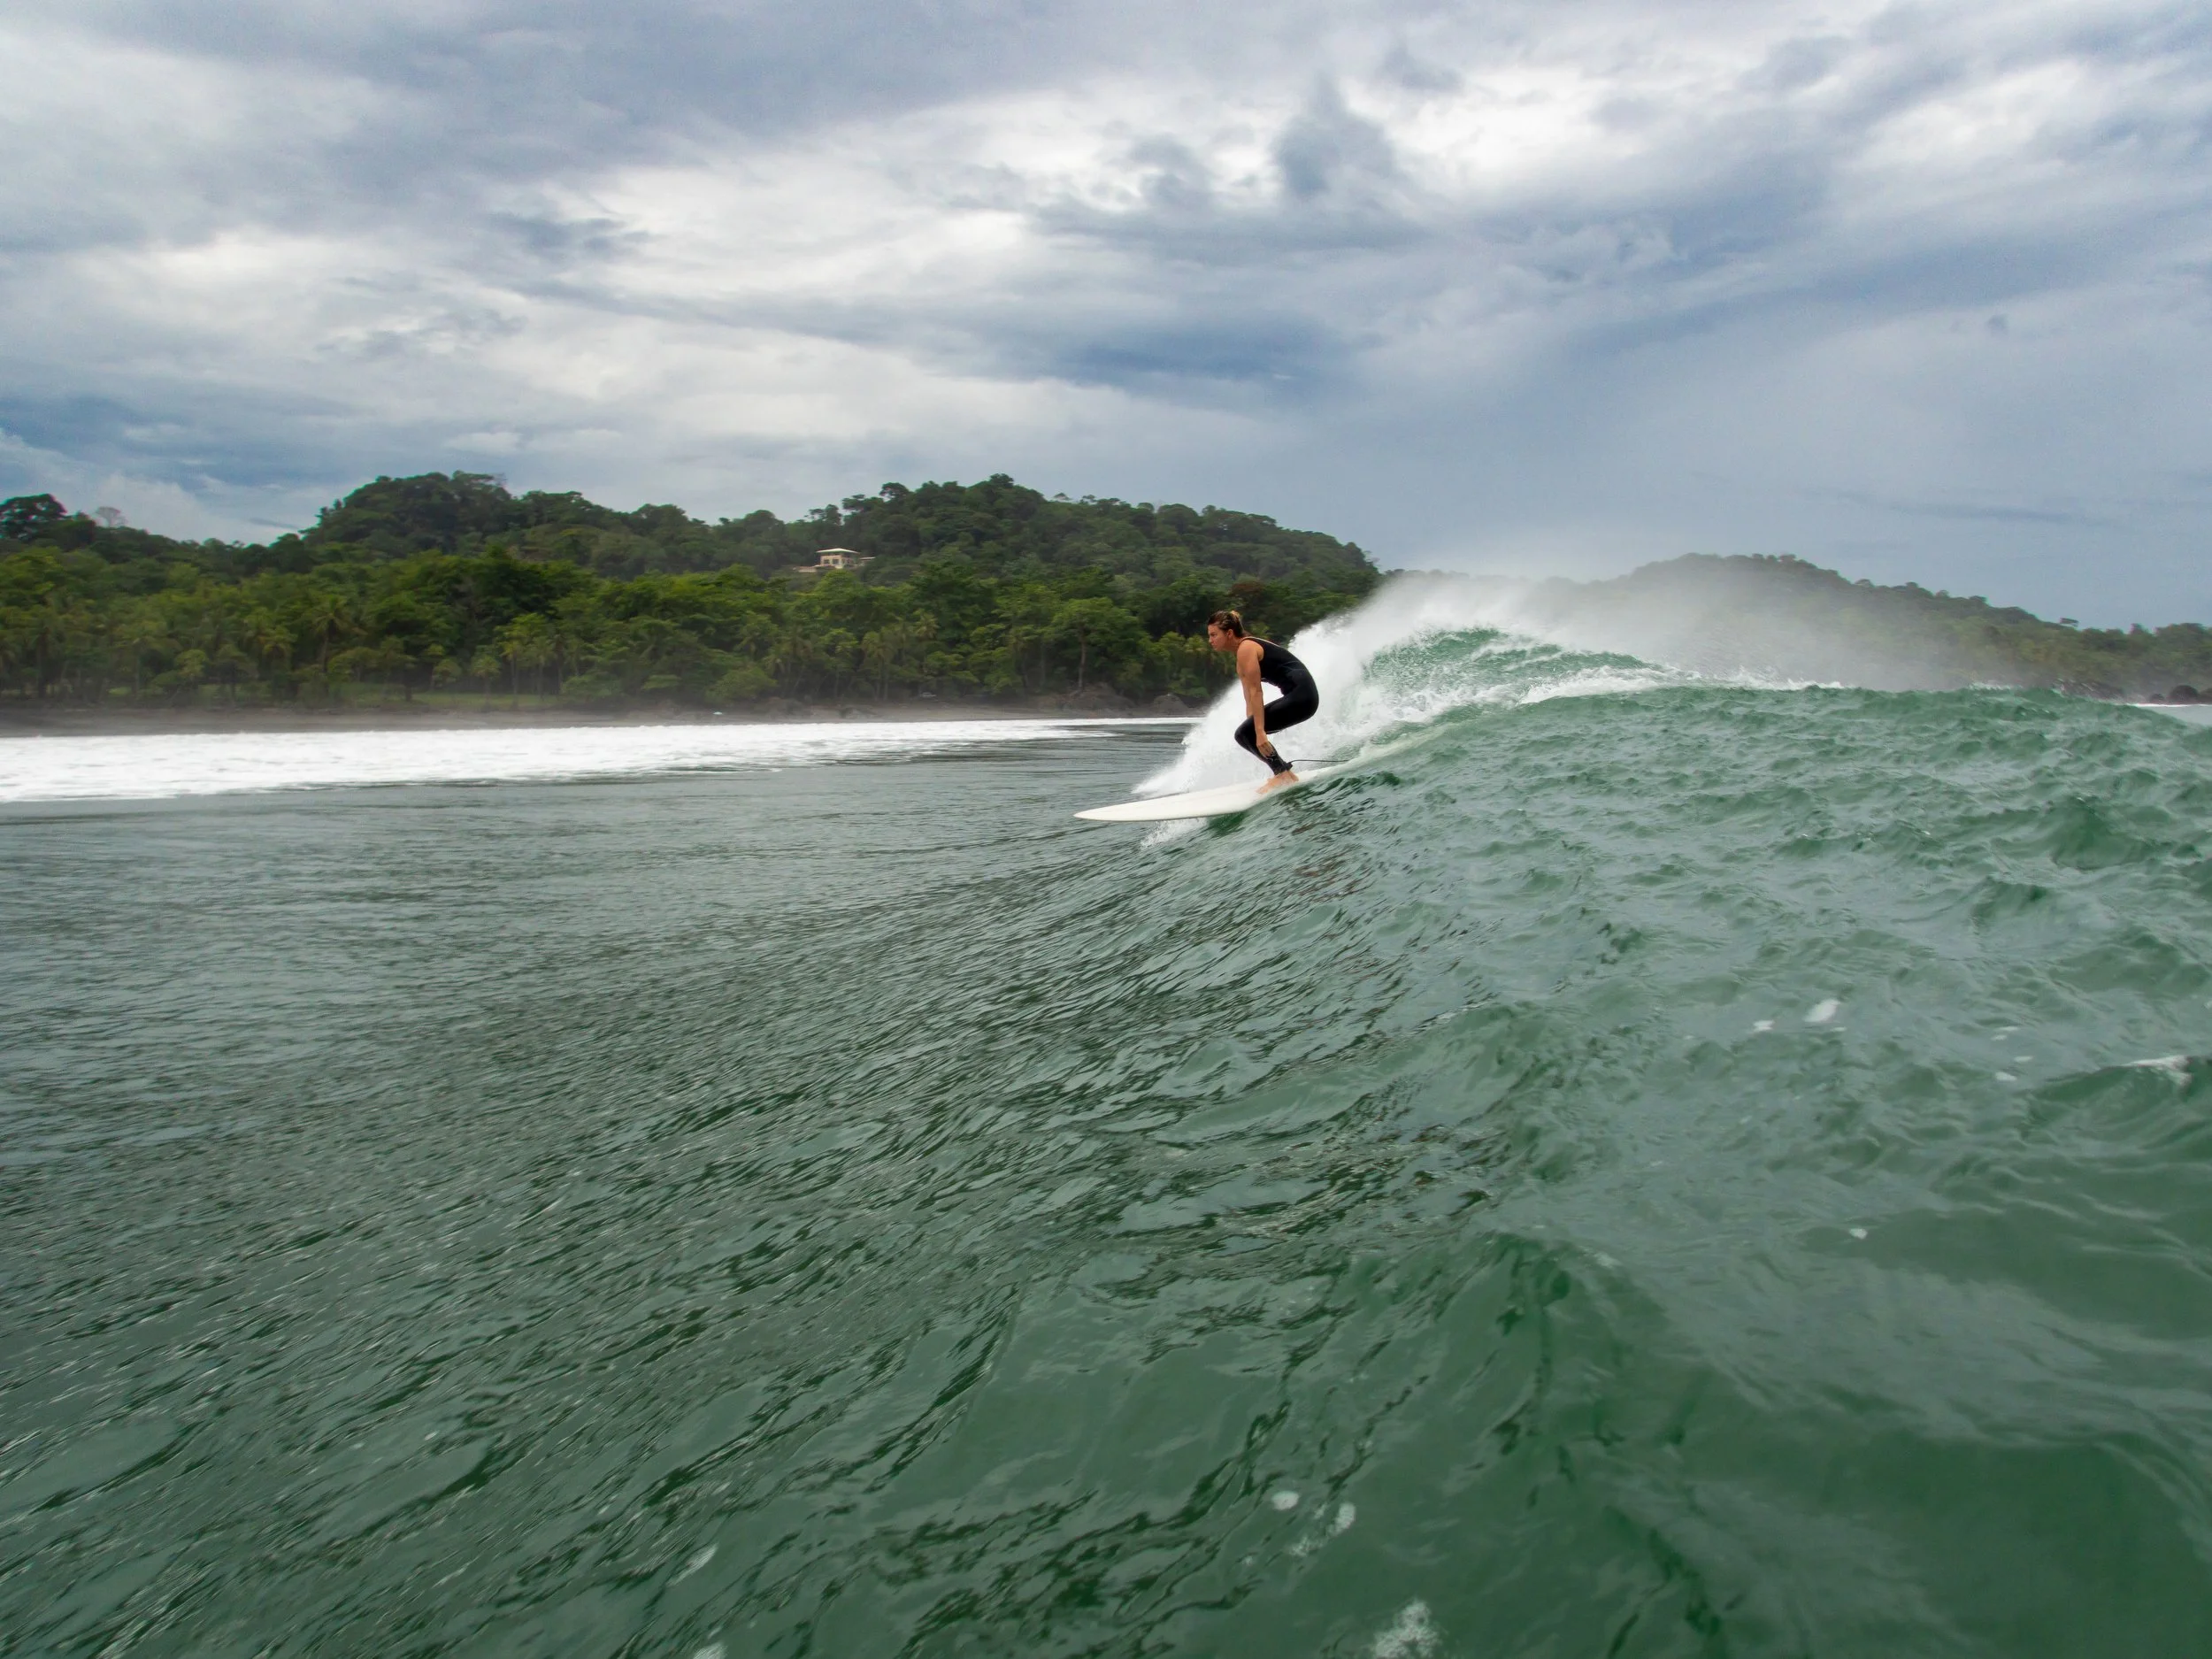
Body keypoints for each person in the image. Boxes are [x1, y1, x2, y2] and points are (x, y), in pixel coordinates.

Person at [1206, 609, 1317, 790]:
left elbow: (1256, 691)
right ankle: (1285, 773)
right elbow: (1248, 697)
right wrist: (1252, 728)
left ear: (1229, 633)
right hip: (1301, 696)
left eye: (1213, 635)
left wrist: (1258, 732)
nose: (1210, 640)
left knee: (1246, 733)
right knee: (1245, 733)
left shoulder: (1247, 648)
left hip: (1303, 695)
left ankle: (1281, 774)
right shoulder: (1240, 657)